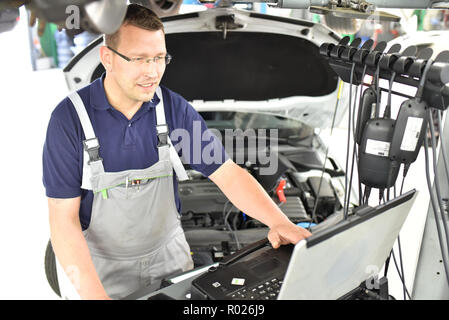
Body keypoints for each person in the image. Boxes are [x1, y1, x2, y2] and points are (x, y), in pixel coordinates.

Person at [42, 4, 311, 300]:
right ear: (108, 58)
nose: (152, 72)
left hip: (169, 260)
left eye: (159, 58)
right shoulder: (70, 121)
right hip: (101, 271)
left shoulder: (171, 108)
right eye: (139, 59)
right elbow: (62, 219)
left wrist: (280, 222)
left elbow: (228, 174)